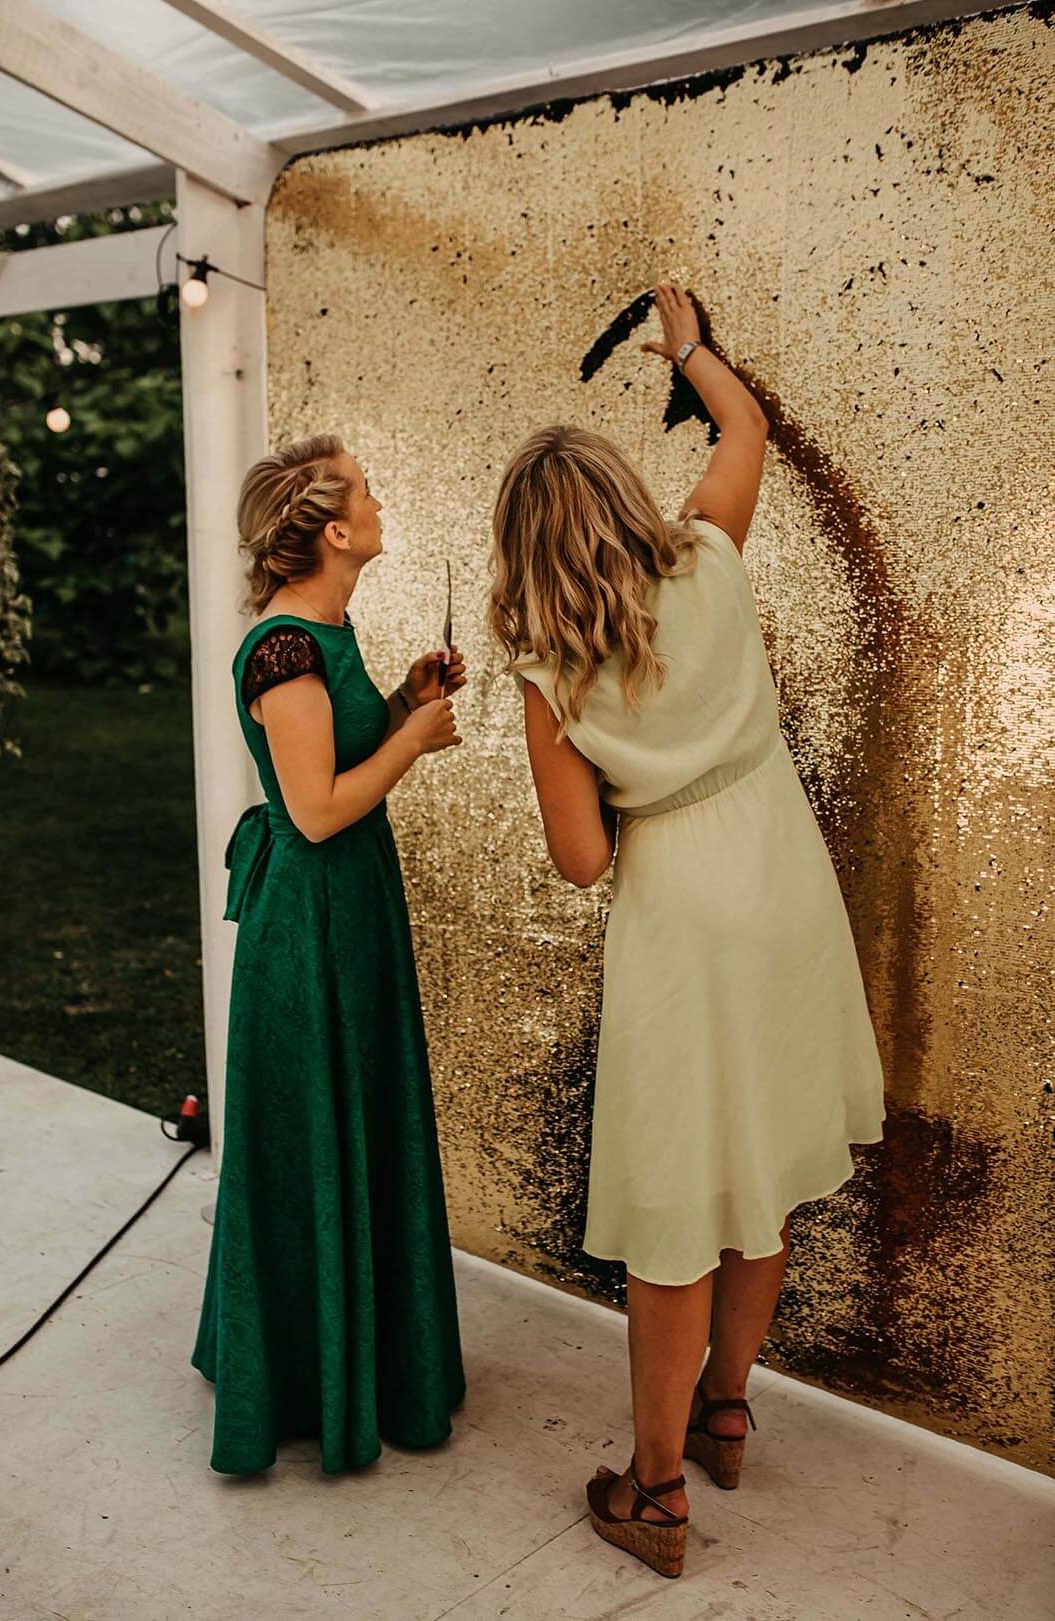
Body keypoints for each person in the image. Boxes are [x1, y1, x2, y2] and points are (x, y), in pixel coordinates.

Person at [488, 285, 885, 1579]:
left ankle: (654, 1492)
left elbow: (582, 859)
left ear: (524, 550)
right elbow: (744, 428)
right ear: (621, 496)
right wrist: (692, 350)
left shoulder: (551, 673)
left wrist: (619, 765)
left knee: (676, 1205)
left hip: (679, 921)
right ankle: (727, 1412)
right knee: (758, 1164)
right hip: (782, 883)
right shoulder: (710, 556)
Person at [192, 432, 466, 1474]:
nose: (380, 503)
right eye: (368, 492)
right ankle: (308, 1381)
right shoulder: (283, 650)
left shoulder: (329, 633)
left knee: (362, 1116)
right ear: (336, 532)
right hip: (306, 927)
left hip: (353, 910)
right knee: (315, 1129)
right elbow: (312, 811)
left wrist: (400, 700)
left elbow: (341, 749)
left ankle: (363, 1358)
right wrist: (414, 742)